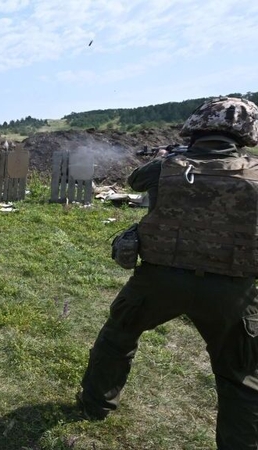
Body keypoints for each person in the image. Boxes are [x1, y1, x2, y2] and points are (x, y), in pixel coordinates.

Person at [77, 97, 258, 449]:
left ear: (197, 127)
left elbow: (135, 180)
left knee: (118, 337)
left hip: (160, 279)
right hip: (232, 289)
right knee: (241, 374)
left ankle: (96, 403)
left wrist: (167, 158)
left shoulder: (168, 166)